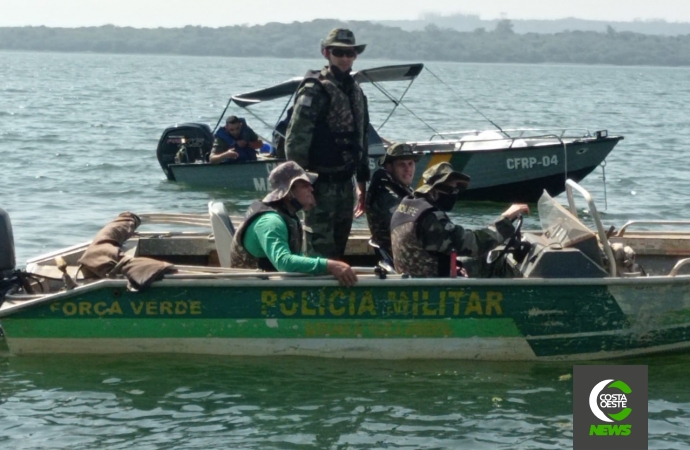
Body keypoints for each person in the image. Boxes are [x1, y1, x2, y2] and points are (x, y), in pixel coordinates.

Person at [285, 28, 370, 259]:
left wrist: (362, 182)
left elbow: (362, 138)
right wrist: (299, 183)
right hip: (319, 185)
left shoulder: (356, 91)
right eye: (338, 53)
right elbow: (295, 141)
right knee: (318, 250)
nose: (344, 58)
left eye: (349, 53)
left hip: (346, 185)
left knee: (339, 249)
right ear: (326, 53)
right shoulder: (315, 89)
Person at [229, 161, 358, 287]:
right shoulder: (271, 221)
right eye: (304, 186)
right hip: (251, 290)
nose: (311, 189)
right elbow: (283, 262)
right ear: (289, 192)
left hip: (268, 284)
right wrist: (330, 265)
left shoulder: (286, 215)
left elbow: (293, 257)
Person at [391, 162, 530, 278]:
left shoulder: (407, 205)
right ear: (433, 190)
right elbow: (475, 244)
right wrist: (506, 219)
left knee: (477, 261)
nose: (454, 195)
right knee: (496, 265)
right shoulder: (430, 219)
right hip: (432, 286)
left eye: (456, 190)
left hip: (416, 275)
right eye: (450, 190)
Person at [365, 142, 420, 258]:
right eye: (402, 165)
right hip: (400, 254)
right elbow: (405, 228)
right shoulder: (387, 195)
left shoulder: (397, 186)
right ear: (389, 167)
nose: (408, 169)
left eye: (410, 164)